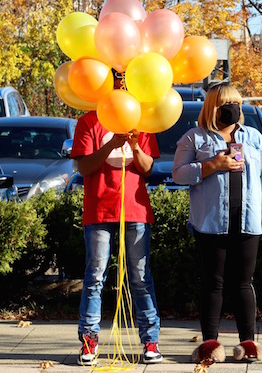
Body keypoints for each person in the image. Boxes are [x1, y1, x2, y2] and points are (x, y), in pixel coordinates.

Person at [172, 84, 262, 364]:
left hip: (248, 223)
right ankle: (210, 343)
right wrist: (211, 166)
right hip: (209, 224)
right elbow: (178, 174)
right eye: (226, 103)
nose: (233, 108)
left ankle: (249, 343)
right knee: (213, 283)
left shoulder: (254, 138)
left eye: (237, 102)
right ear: (212, 107)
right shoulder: (194, 138)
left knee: (244, 283)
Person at [71, 71, 163, 366]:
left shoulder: (142, 120)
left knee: (140, 277)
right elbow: (84, 168)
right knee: (95, 277)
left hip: (135, 209)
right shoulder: (88, 122)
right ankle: (89, 342)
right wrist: (110, 145)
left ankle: (150, 340)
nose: (120, 85)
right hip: (98, 209)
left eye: (125, 79)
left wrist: (135, 145)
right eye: (115, 79)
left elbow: (148, 169)